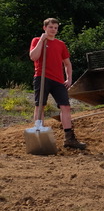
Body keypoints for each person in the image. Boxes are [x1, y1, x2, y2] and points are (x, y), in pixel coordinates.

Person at [29, 18, 86, 149]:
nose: (53, 30)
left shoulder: (61, 44)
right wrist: (42, 41)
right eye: (51, 27)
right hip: (42, 77)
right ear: (45, 28)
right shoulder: (37, 40)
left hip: (58, 80)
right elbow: (34, 57)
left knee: (65, 107)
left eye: (55, 28)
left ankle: (69, 138)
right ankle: (39, 134)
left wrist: (69, 78)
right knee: (40, 106)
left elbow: (67, 63)